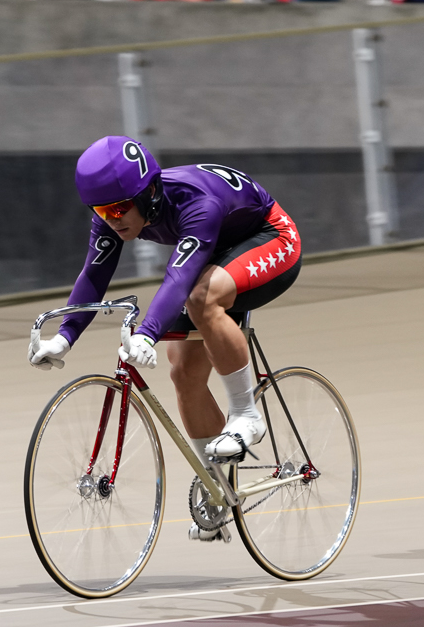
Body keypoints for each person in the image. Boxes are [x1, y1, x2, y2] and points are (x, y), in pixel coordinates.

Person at [29, 138, 303, 497]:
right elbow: (95, 275)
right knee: (184, 374)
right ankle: (219, 488)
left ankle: (246, 414)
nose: (113, 220)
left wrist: (146, 334)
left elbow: (179, 278)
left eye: (119, 209)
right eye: (100, 212)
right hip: (215, 249)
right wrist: (64, 338)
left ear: (149, 193)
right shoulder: (115, 214)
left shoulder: (196, 203)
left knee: (201, 298)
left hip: (269, 237)